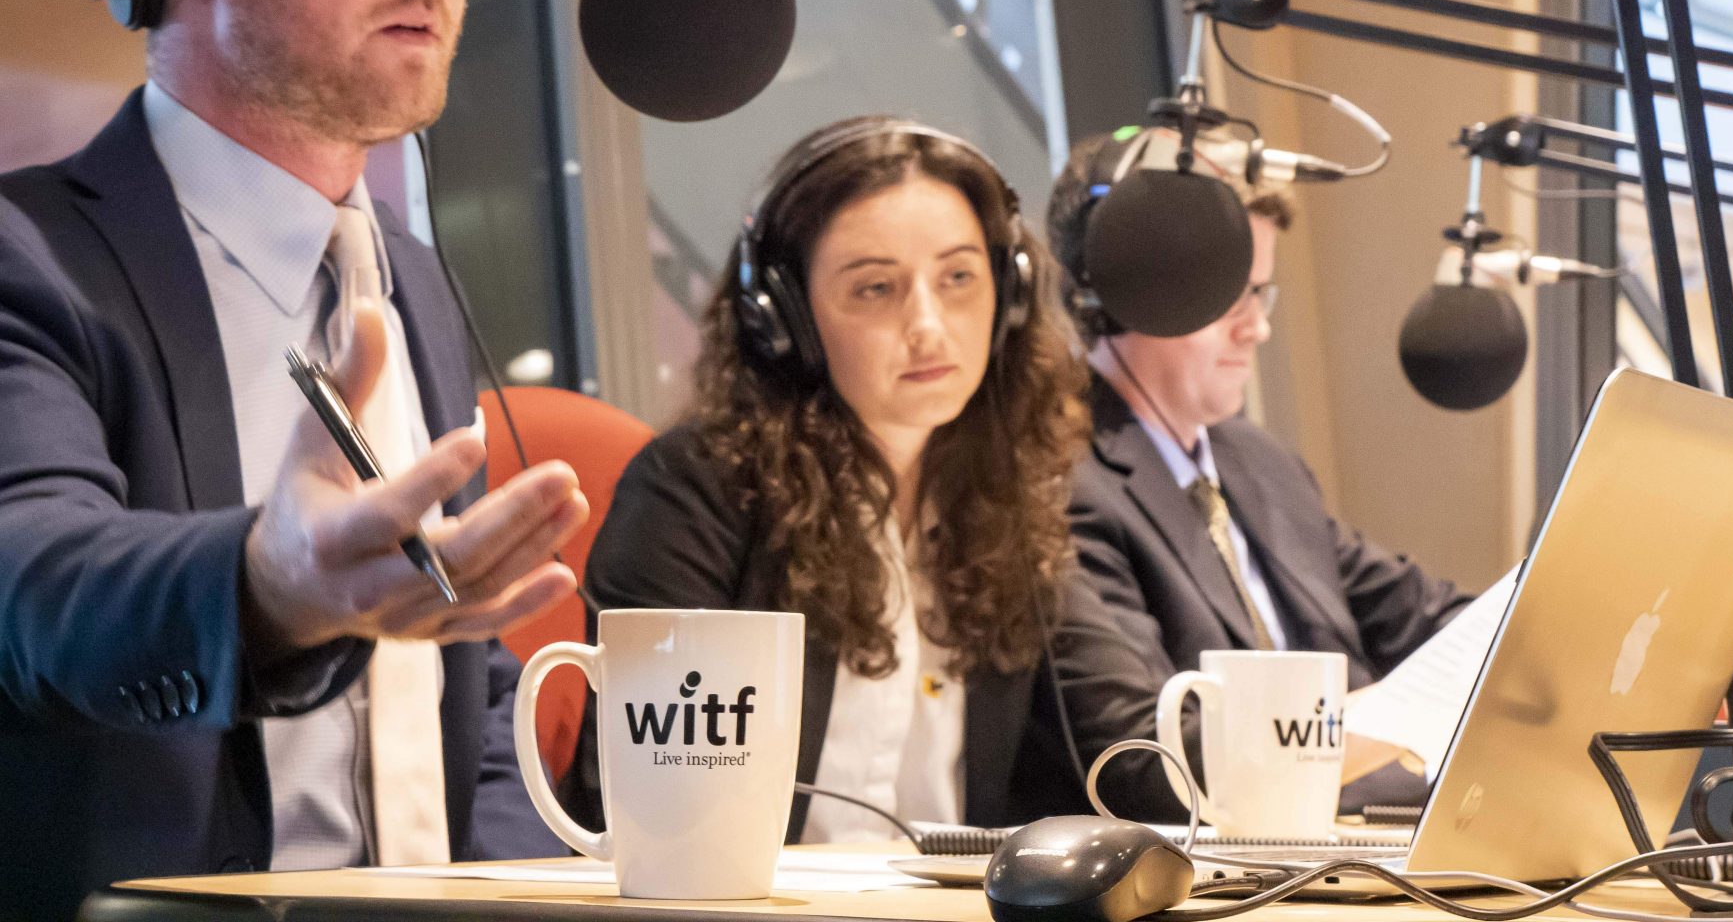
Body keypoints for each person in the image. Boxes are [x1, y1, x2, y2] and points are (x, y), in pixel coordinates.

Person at [0, 0, 590, 919]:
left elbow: (467, 707)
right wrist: (272, 589)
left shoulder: (411, 284)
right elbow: (33, 587)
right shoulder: (25, 261)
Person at [568, 118, 1177, 840]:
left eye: (958, 278)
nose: (928, 325)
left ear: (1009, 295)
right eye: (875, 289)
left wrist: (1316, 734)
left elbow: (1135, 754)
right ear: (785, 319)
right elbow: (640, 801)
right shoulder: (697, 491)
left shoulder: (1003, 499)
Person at [1046, 130, 1470, 801]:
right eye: (1228, 294)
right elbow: (1145, 760)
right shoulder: (1061, 485)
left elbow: (1427, 619)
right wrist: (1399, 717)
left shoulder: (1259, 462)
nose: (1257, 328)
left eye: (1261, 293)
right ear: (1122, 289)